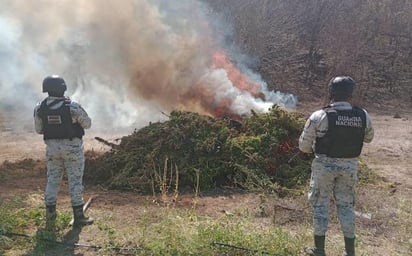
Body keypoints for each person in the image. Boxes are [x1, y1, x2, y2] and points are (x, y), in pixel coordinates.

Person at [299, 76, 374, 256]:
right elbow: (369, 138)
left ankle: (319, 250)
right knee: (346, 206)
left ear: (331, 92)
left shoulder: (320, 115)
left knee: (320, 205)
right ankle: (349, 252)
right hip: (349, 167)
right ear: (350, 93)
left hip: (324, 167)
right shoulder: (362, 115)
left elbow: (303, 145)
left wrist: (311, 151)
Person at [34, 75, 94, 228]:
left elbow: (39, 130)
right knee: (75, 181)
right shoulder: (73, 107)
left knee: (52, 180)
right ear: (63, 88)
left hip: (52, 150)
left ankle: (50, 216)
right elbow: (87, 124)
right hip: (72, 149)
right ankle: (79, 217)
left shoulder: (39, 108)